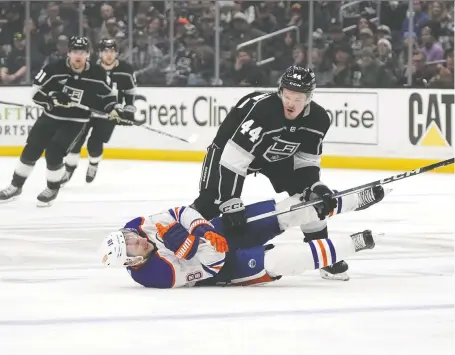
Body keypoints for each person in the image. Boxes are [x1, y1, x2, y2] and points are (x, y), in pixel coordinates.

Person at [190, 65, 385, 281]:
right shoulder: (264, 111)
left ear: (309, 98)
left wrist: (314, 186)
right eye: (287, 95)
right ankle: (175, 232)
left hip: (274, 156)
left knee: (310, 199)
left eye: (298, 98)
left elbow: (306, 160)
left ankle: (323, 255)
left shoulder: (319, 119)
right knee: (211, 202)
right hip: (228, 151)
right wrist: (230, 200)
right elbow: (235, 158)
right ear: (280, 91)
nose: (291, 103)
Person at [99, 189, 383, 289]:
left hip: (213, 231)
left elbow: (179, 212)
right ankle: (355, 243)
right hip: (223, 267)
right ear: (133, 261)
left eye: (129, 236)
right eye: (132, 244)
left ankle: (355, 199)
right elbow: (210, 264)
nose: (135, 237)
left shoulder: (135, 227)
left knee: (284, 210)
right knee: (282, 259)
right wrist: (193, 240)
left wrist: (202, 229)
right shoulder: (156, 275)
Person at [0, 36, 131, 207]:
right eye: (75, 51)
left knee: (54, 151)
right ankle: (15, 186)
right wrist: (52, 98)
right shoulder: (54, 68)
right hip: (50, 117)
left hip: (76, 121)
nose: (78, 56)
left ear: (88, 54)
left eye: (82, 52)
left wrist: (115, 109)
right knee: (31, 148)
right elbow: (36, 93)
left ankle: (52, 188)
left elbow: (108, 98)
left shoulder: (98, 74)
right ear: (69, 53)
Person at [61, 38, 138, 184]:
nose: (108, 54)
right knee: (76, 140)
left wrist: (128, 109)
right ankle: (69, 168)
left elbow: (130, 92)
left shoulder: (126, 70)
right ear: (99, 53)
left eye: (112, 51)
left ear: (117, 53)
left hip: (110, 113)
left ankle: (93, 164)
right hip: (87, 110)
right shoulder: (91, 68)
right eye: (105, 51)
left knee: (95, 143)